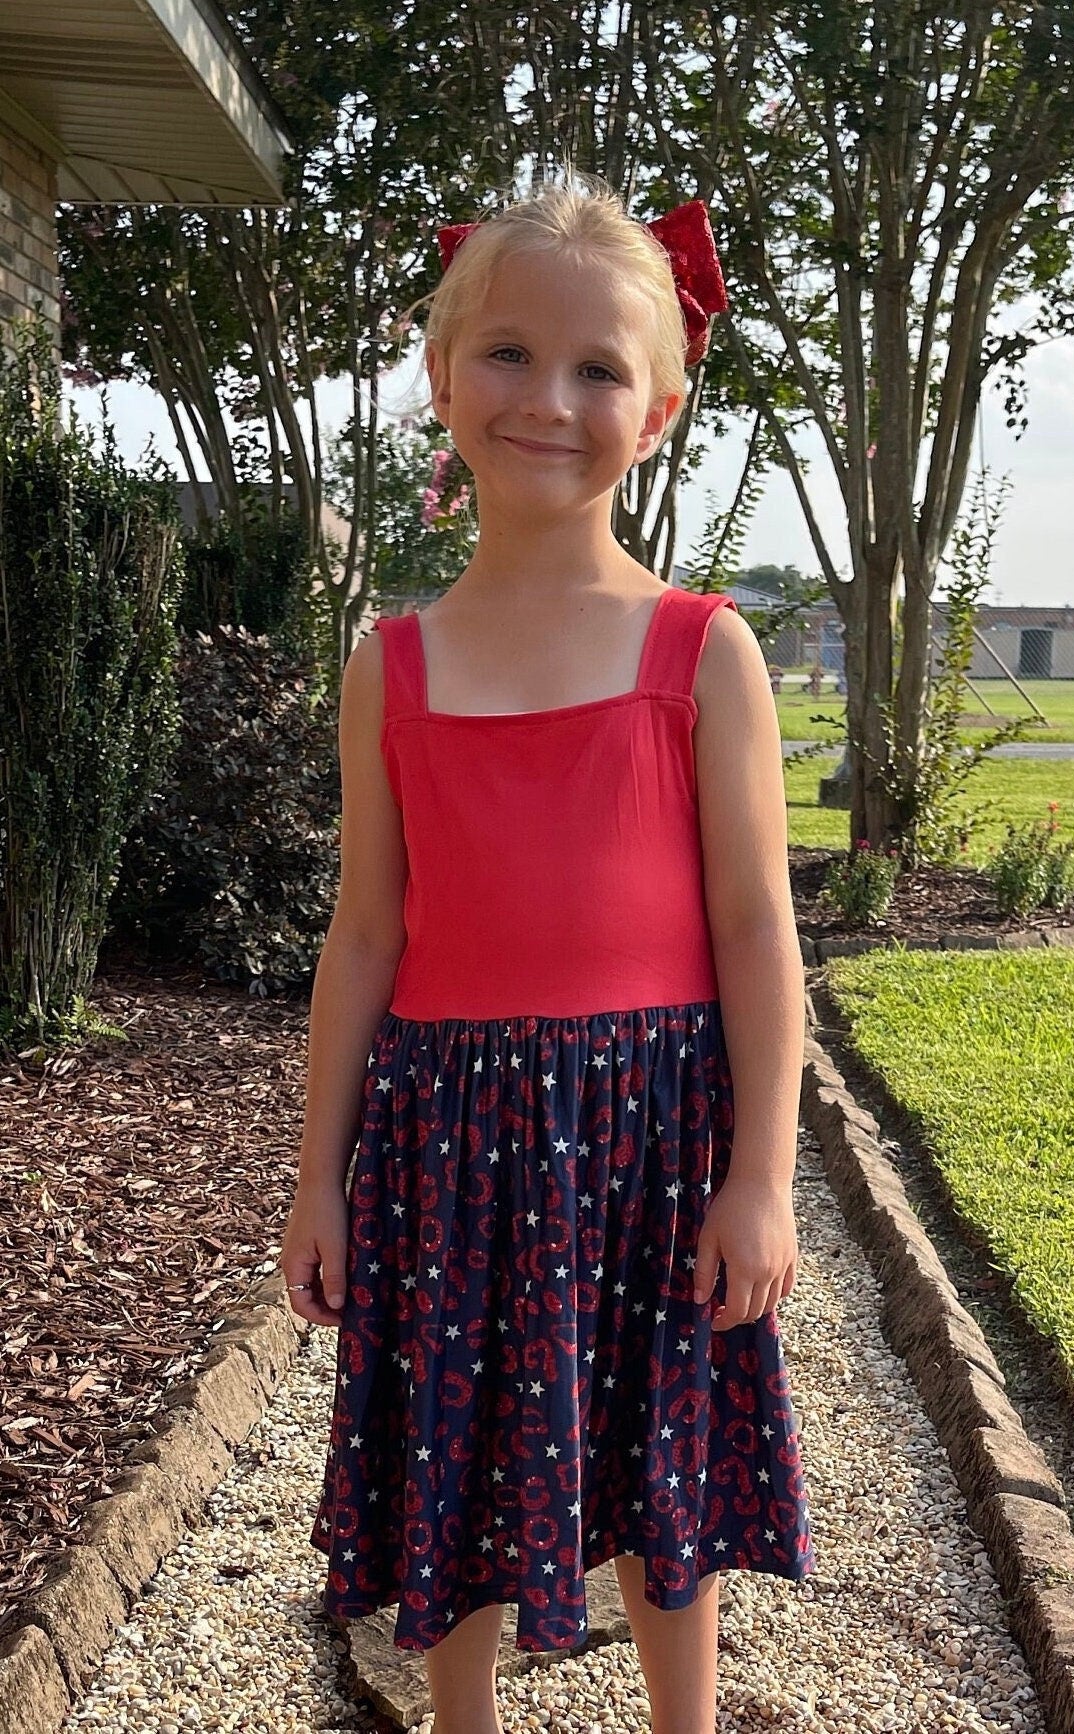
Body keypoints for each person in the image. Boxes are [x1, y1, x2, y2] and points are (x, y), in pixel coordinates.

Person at [280, 170, 815, 1734]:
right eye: (509, 353)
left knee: (663, 1468)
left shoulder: (701, 650)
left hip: (651, 1144)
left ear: (656, 409)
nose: (549, 399)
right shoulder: (394, 664)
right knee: (454, 1454)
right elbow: (367, 929)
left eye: (599, 368)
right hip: (448, 1141)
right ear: (442, 376)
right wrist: (318, 1172)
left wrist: (764, 1172)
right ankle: (460, 1718)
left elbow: (755, 932)